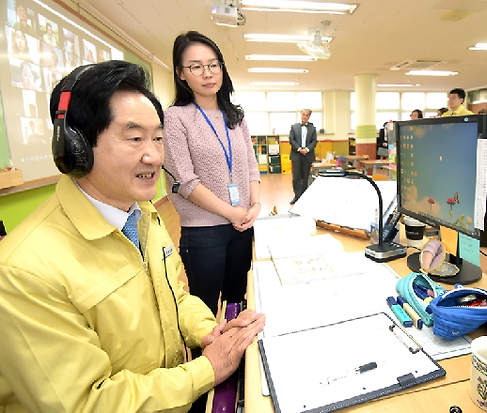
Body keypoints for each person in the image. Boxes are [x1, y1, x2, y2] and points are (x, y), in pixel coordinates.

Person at [0, 60, 266, 412]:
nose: (154, 155)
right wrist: (207, 368)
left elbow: (174, 297)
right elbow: (86, 402)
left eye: (158, 138)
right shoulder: (22, 271)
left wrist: (208, 331)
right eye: (134, 138)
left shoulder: (144, 216)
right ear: (76, 148)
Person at [163, 31, 261, 319]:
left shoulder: (236, 117)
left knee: (237, 300)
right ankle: (207, 364)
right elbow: (184, 181)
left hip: (242, 225)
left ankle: (238, 361)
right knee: (204, 310)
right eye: (196, 66)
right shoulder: (175, 117)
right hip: (204, 232)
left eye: (213, 64)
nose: (207, 73)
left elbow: (251, 167)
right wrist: (230, 212)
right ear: (181, 74)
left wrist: (254, 206)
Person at [289, 108, 317, 204]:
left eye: (306, 115)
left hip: (307, 155)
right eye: (303, 114)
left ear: (309, 117)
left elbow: (314, 141)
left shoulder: (312, 128)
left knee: (306, 176)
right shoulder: (294, 127)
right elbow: (291, 140)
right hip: (296, 154)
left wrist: (307, 149)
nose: (304, 116)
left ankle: (304, 196)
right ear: (301, 115)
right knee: (296, 177)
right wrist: (299, 149)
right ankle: (297, 196)